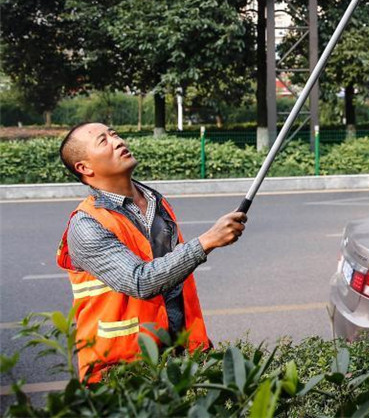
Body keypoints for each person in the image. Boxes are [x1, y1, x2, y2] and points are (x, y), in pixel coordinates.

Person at [55, 122, 248, 382]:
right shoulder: (86, 224)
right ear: (84, 168)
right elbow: (139, 281)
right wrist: (208, 241)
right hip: (123, 373)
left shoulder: (156, 202)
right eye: (103, 141)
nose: (118, 141)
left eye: (115, 134)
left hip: (181, 358)